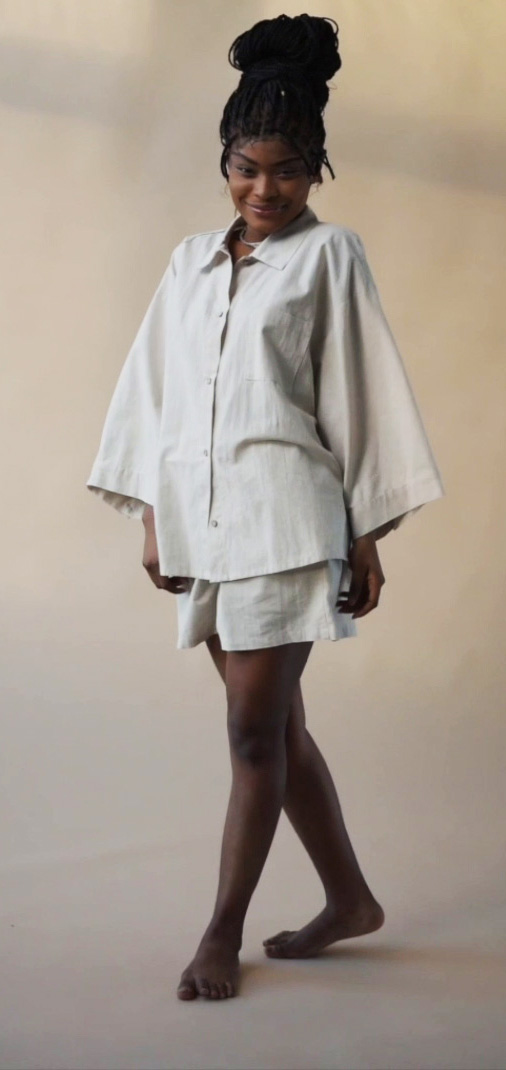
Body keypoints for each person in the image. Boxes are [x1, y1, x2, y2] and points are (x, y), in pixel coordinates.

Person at [86, 14, 445, 1001]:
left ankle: (219, 934)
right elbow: (153, 393)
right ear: (225, 163)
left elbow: (359, 393)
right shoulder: (188, 265)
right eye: (247, 168)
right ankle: (351, 900)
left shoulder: (331, 258)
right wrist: (154, 516)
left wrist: (364, 533)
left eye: (287, 171)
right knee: (278, 730)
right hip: (202, 525)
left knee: (250, 735)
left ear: (315, 170)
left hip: (287, 522)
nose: (264, 189)